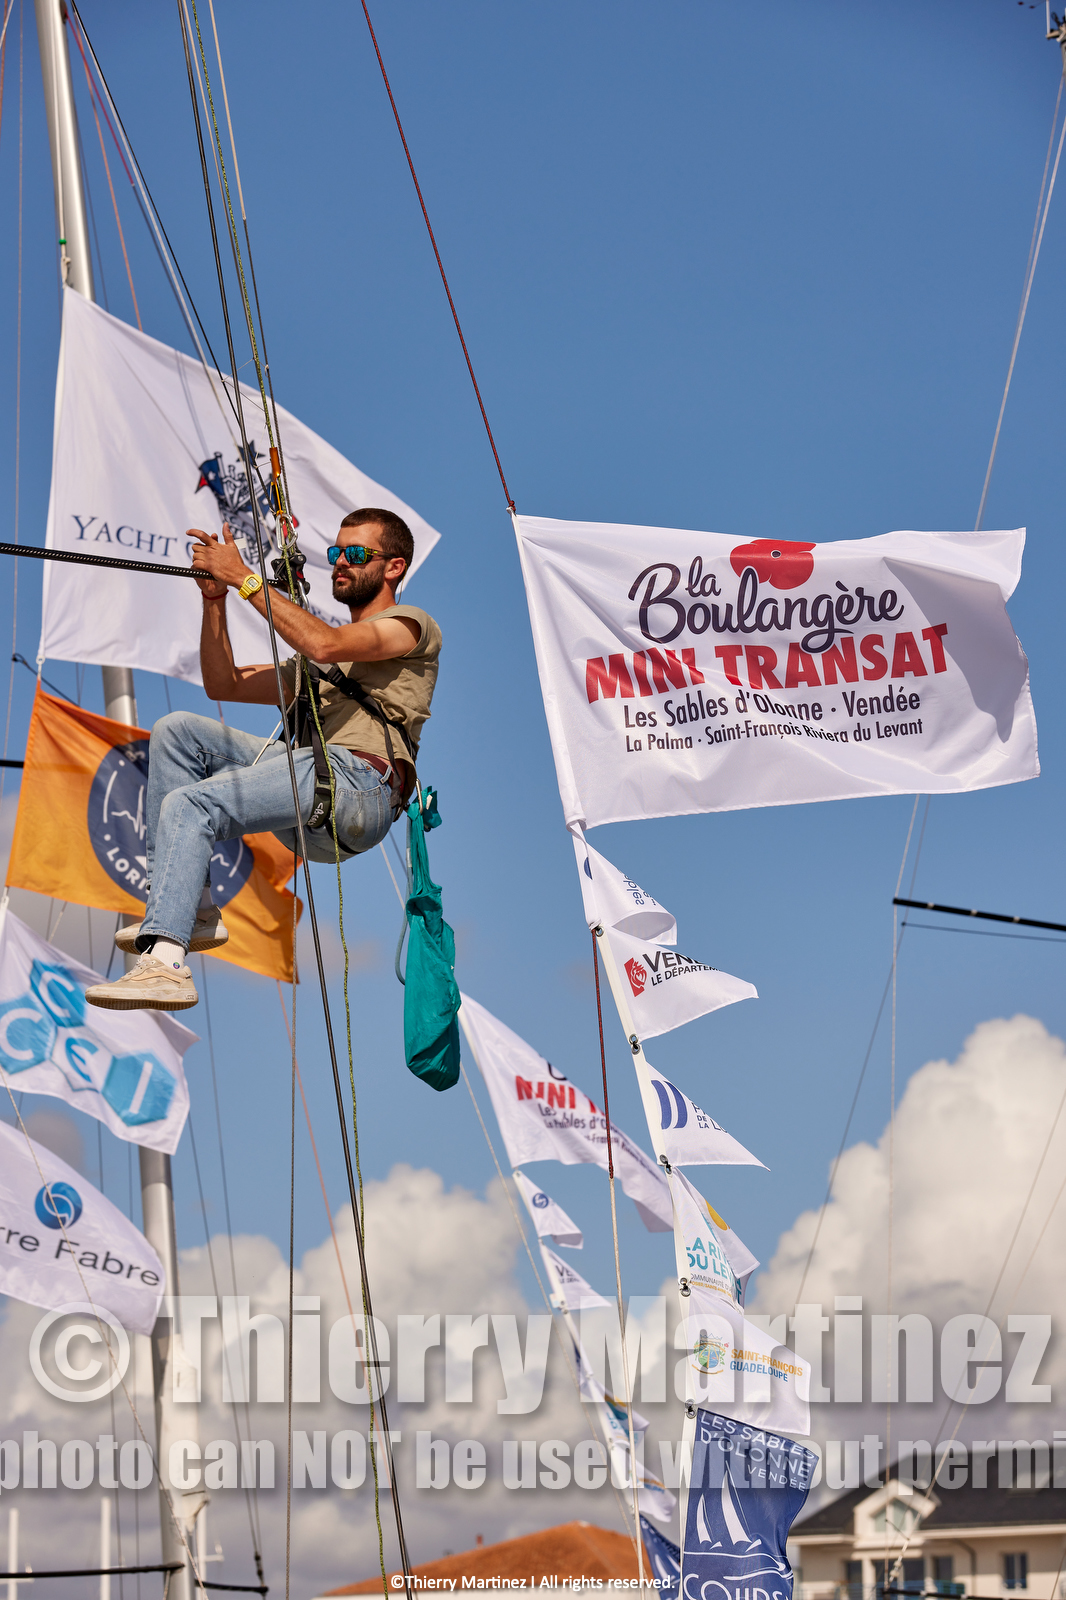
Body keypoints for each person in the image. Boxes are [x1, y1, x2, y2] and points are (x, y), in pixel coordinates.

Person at [85, 507, 441, 1013]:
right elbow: (223, 684)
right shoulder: (319, 666)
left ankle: (165, 963)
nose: (340, 562)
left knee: (191, 806)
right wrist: (216, 600)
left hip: (356, 787)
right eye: (337, 553)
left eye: (356, 554)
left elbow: (323, 640)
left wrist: (245, 578)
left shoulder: (409, 625)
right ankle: (197, 909)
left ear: (394, 567)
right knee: (177, 732)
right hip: (313, 795)